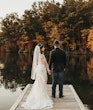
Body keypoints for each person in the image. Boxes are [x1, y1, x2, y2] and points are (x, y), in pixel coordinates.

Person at [21, 44, 53, 109]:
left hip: (38, 69)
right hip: (42, 69)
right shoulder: (41, 56)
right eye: (43, 47)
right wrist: (48, 70)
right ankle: (42, 96)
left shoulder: (38, 56)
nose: (44, 48)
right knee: (42, 82)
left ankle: (38, 95)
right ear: (41, 49)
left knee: (38, 82)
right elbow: (45, 63)